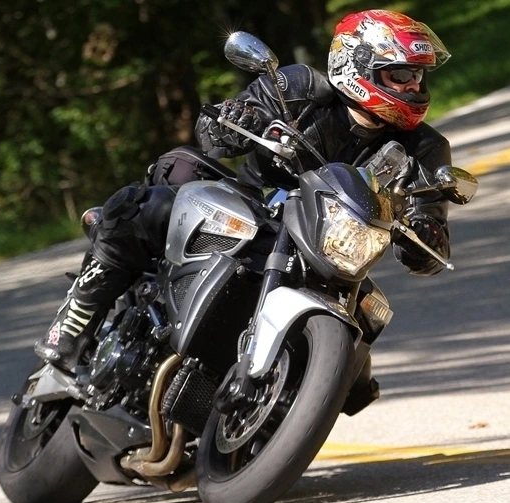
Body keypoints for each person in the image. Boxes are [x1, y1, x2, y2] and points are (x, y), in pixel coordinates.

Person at [35, 9, 452, 413]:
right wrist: (237, 118)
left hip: (324, 245)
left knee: (358, 373)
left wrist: (428, 233)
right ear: (355, 65)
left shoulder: (427, 149)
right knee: (151, 201)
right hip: (250, 206)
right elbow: (217, 136)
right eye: (400, 74)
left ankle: (280, 407)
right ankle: (72, 327)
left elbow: (429, 221)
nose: (412, 86)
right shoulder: (299, 88)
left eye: (417, 75)